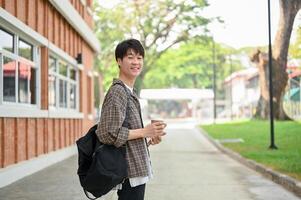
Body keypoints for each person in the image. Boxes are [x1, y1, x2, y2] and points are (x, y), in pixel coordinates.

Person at [96, 39, 167, 200]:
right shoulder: (118, 92)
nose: (136, 62)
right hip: (128, 173)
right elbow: (107, 133)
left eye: (139, 57)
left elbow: (125, 133)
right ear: (119, 61)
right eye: (130, 57)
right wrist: (144, 131)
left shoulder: (129, 92)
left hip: (136, 169)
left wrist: (147, 138)